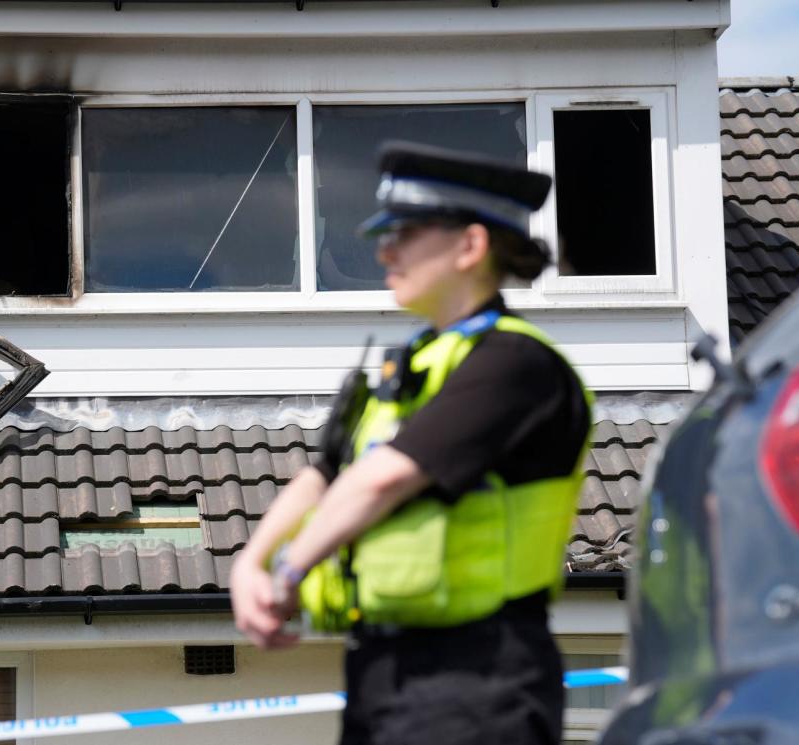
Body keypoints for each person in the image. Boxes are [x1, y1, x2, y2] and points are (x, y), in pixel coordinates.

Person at [230, 141, 593, 745]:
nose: (384, 251)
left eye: (405, 232)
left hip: (479, 679)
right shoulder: (411, 363)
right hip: (383, 669)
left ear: (470, 245)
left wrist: (288, 572)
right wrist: (250, 563)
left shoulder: (515, 363)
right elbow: (326, 473)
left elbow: (386, 476)